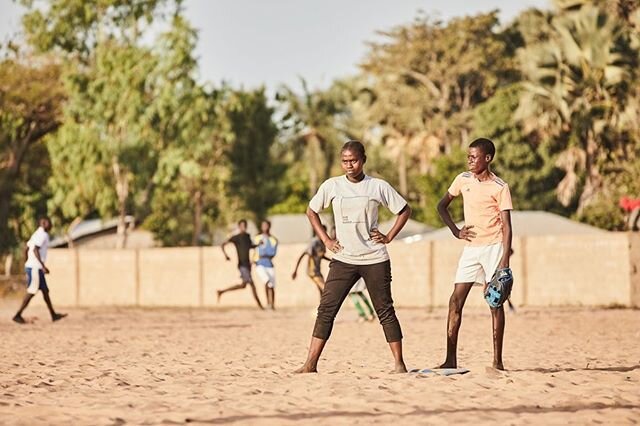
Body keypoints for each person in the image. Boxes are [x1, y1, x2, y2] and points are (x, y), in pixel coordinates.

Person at [295, 140, 411, 374]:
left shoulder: (377, 186)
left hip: (375, 258)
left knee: (385, 310)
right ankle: (310, 364)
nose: (349, 165)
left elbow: (404, 210)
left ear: (363, 160)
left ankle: (399, 364)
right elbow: (311, 211)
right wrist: (327, 240)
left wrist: (388, 236)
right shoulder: (332, 186)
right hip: (344, 259)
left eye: (354, 160)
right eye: (345, 161)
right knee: (326, 309)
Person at [436, 137, 513, 370]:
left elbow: (508, 226)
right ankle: (450, 360)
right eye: (468, 156)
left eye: (474, 156)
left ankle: (497, 362)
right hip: (471, 249)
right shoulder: (462, 180)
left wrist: (504, 262)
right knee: (455, 301)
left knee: (495, 303)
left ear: (487, 159)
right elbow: (441, 206)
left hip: (493, 248)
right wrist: (455, 231)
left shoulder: (500, 187)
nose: (469, 160)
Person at [13, 217, 67, 324]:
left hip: (34, 266)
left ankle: (53, 315)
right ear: (43, 223)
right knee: (31, 292)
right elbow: (35, 249)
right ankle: (17, 315)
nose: (50, 225)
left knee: (45, 291)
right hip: (35, 268)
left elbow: (27, 248)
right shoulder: (42, 235)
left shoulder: (36, 233)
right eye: (48, 223)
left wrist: (27, 262)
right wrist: (42, 265)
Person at [217, 219, 264, 309]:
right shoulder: (236, 237)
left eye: (245, 225)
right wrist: (226, 255)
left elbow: (250, 246)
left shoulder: (247, 236)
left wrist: (258, 245)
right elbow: (223, 244)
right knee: (251, 284)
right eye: (242, 226)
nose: (243, 227)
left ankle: (221, 291)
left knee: (243, 285)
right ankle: (261, 306)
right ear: (239, 227)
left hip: (247, 265)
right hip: (242, 265)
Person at [291, 225, 331, 297]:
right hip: (312, 271)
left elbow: (321, 256)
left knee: (321, 289)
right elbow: (303, 255)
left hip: (317, 270)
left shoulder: (323, 243)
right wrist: (295, 270)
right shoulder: (314, 242)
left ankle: (323, 306)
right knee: (324, 288)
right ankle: (326, 306)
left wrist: (331, 261)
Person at [254, 220, 278, 310]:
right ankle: (268, 303)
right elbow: (255, 250)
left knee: (272, 285)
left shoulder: (273, 240)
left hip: (269, 265)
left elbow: (272, 253)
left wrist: (263, 254)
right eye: (263, 225)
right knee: (267, 281)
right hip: (260, 264)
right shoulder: (257, 238)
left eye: (266, 225)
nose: (264, 227)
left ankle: (272, 304)